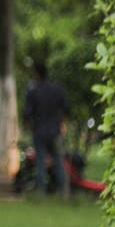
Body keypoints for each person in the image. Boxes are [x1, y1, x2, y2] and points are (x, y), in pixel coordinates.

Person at [23, 62, 70, 197]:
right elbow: (66, 108)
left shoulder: (33, 91)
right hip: (55, 131)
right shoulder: (57, 88)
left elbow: (27, 113)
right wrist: (62, 123)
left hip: (39, 131)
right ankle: (63, 192)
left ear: (36, 74)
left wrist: (28, 125)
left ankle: (41, 192)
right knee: (58, 161)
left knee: (40, 162)